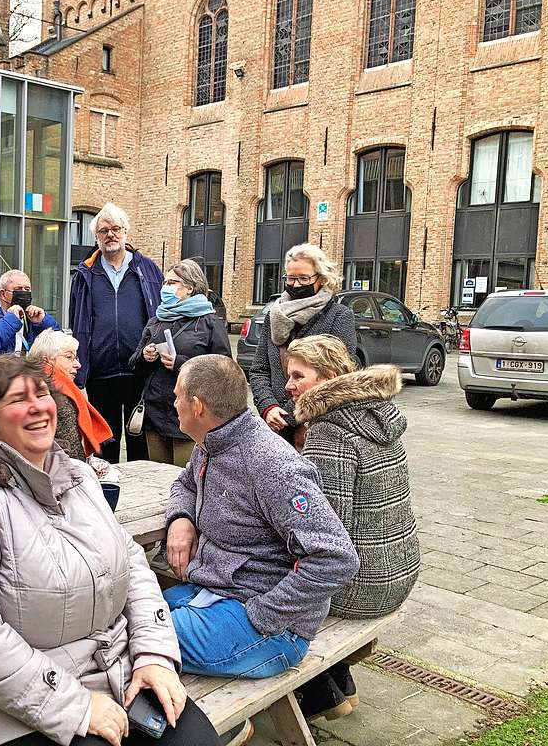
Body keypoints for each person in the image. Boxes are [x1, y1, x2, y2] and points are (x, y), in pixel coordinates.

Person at [0, 353, 229, 746]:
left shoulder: (79, 477)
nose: (37, 407)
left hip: (113, 673)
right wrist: (74, 704)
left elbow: (135, 570)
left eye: (42, 393)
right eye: (16, 399)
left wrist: (154, 657)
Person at [163, 354, 358, 744]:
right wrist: (180, 520)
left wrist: (262, 616)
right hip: (219, 591)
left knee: (131, 635)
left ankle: (217, 726)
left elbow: (336, 557)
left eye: (177, 396)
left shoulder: (272, 465)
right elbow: (184, 485)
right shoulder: (213, 441)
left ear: (197, 406)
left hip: (269, 624)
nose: (173, 404)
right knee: (124, 607)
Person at [285, 335, 420, 720]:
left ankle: (313, 692)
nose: (289, 386)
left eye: (299, 376)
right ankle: (336, 685)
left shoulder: (329, 430)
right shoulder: (375, 413)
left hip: (364, 585)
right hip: (401, 570)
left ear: (328, 377)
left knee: (261, 579)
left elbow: (325, 534)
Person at [69, 202, 163, 463]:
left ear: (126, 232)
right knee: (104, 443)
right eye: (103, 231)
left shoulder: (147, 269)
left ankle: (140, 497)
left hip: (140, 371)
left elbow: (161, 315)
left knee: (139, 441)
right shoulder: (85, 274)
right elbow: (76, 319)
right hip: (101, 373)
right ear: (96, 237)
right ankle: (106, 494)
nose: (110, 235)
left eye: (116, 229)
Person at [249, 243, 355, 445]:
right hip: (275, 426)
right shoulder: (274, 315)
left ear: (321, 279)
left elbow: (339, 376)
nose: (296, 285)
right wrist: (268, 407)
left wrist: (287, 415)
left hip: (315, 426)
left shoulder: (339, 316)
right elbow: (259, 370)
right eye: (291, 278)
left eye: (304, 278)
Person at [130, 260, 231, 468]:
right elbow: (134, 365)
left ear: (189, 288)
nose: (165, 287)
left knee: (185, 477)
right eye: (164, 282)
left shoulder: (209, 322)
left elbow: (224, 369)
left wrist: (180, 364)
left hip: (192, 414)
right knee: (157, 479)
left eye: (172, 282)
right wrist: (145, 356)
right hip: (155, 413)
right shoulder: (156, 321)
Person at [26, 329, 112, 461]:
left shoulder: (37, 383)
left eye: (75, 357)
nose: (78, 364)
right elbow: (70, 451)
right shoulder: (53, 393)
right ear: (47, 360)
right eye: (69, 357)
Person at [0, 269, 61, 356]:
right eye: (18, 289)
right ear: (3, 294)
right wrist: (10, 320)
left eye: (27, 289)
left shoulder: (33, 318)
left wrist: (44, 322)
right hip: (0, 374)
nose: (24, 293)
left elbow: (60, 345)